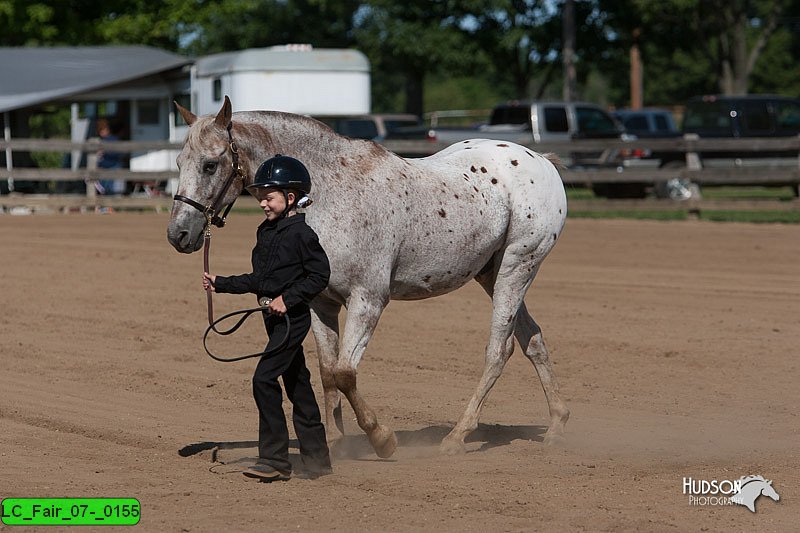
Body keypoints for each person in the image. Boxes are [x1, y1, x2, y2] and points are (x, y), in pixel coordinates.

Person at [202, 155, 332, 482]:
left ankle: (275, 460)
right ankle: (318, 460)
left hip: (292, 319)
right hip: (271, 318)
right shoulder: (267, 232)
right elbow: (260, 280)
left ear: (290, 199)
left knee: (263, 380)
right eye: (261, 197)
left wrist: (288, 300)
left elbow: (320, 276)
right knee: (297, 385)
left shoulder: (302, 235)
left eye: (269, 197)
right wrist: (222, 283)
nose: (262, 203)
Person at [95, 118, 125, 195]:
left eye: (103, 130)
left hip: (110, 165)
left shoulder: (110, 140)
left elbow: (115, 154)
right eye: (100, 130)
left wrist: (103, 152)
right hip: (107, 165)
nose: (101, 132)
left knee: (108, 186)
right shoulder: (104, 140)